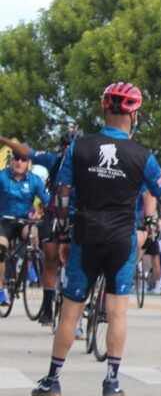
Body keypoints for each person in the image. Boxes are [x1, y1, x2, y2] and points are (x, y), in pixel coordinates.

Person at [32, 81, 161, 396]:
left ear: (104, 109)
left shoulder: (79, 147)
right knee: (117, 310)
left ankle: (53, 379)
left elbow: (61, 196)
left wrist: (61, 237)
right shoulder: (143, 156)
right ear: (135, 115)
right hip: (121, 237)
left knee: (71, 307)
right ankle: (112, 382)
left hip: (85, 235)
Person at [0, 130, 80, 324]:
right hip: (19, 219)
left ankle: (32, 258)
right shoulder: (54, 161)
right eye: (66, 148)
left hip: (77, 216)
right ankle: (47, 309)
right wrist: (3, 140)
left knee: (75, 261)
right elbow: (26, 151)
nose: (68, 152)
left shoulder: (88, 165)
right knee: (51, 260)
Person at [0, 151, 50, 307]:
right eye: (16, 159)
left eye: (23, 159)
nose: (19, 162)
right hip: (4, 220)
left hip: (24, 221)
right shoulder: (2, 176)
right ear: (12, 160)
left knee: (33, 236)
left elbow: (47, 200)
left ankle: (30, 262)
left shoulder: (34, 180)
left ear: (28, 162)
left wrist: (50, 212)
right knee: (1, 248)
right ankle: (0, 289)